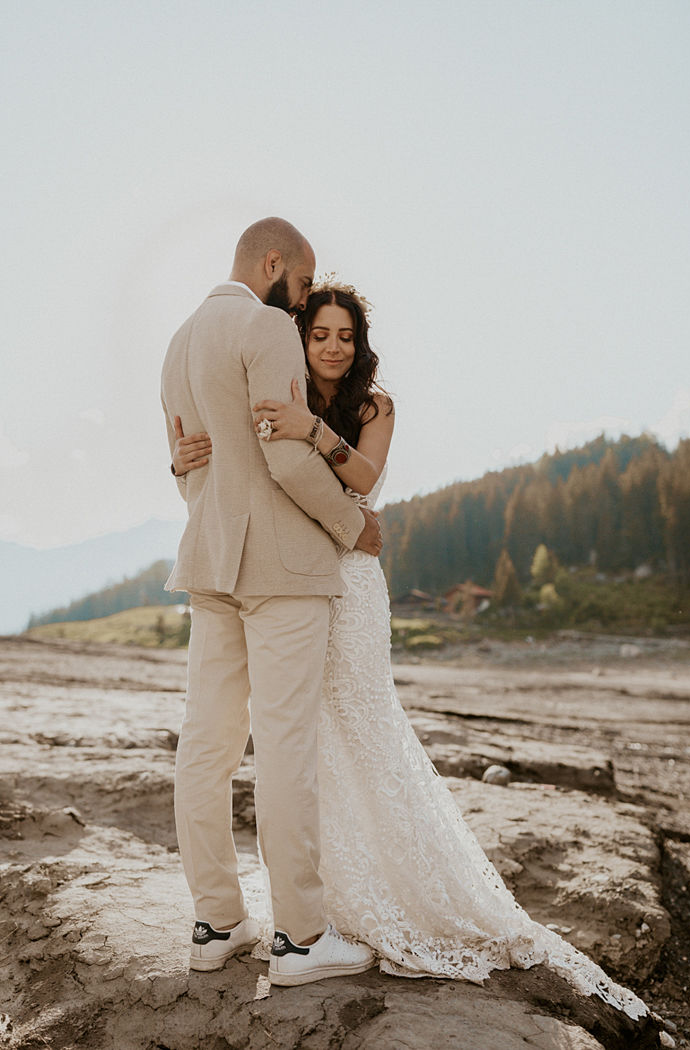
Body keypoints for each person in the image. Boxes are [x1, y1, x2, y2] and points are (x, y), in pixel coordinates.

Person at [172, 275, 659, 1030]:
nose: (332, 345)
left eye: (344, 335)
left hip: (350, 573)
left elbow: (365, 478)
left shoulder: (372, 406)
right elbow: (239, 459)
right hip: (289, 571)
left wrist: (312, 431)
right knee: (311, 740)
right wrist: (189, 458)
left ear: (359, 344)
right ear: (301, 338)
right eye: (319, 333)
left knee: (361, 726)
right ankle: (326, 904)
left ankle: (384, 896)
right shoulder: (281, 382)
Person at [161, 218, 380, 987]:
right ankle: (299, 938)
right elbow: (286, 457)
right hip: (282, 570)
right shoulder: (265, 327)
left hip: (211, 562)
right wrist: (352, 525)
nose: (302, 300)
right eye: (301, 278)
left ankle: (216, 921)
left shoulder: (179, 341)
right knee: (285, 747)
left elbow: (189, 465)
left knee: (208, 746)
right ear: (274, 261)